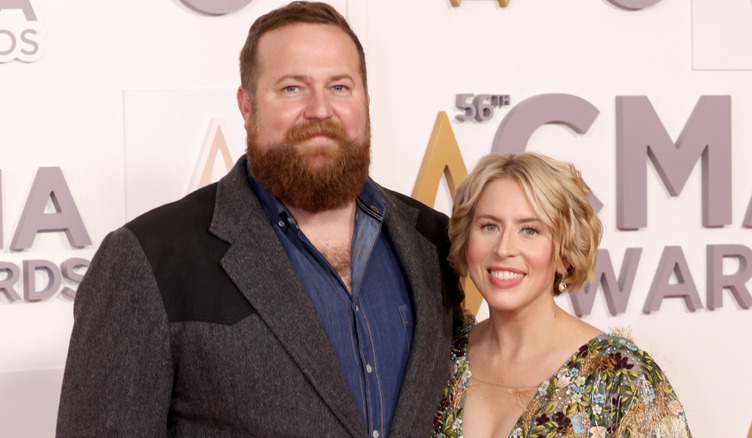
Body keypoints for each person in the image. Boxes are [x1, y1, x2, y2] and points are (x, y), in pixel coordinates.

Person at [56, 2, 463, 437]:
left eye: (340, 87)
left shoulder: (433, 240)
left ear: (365, 98)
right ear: (246, 106)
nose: (321, 110)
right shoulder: (149, 260)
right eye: (292, 88)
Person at [432, 152, 691, 438]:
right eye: (489, 226)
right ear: (467, 241)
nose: (504, 248)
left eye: (529, 230)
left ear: (564, 255)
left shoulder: (620, 379)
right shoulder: (438, 358)